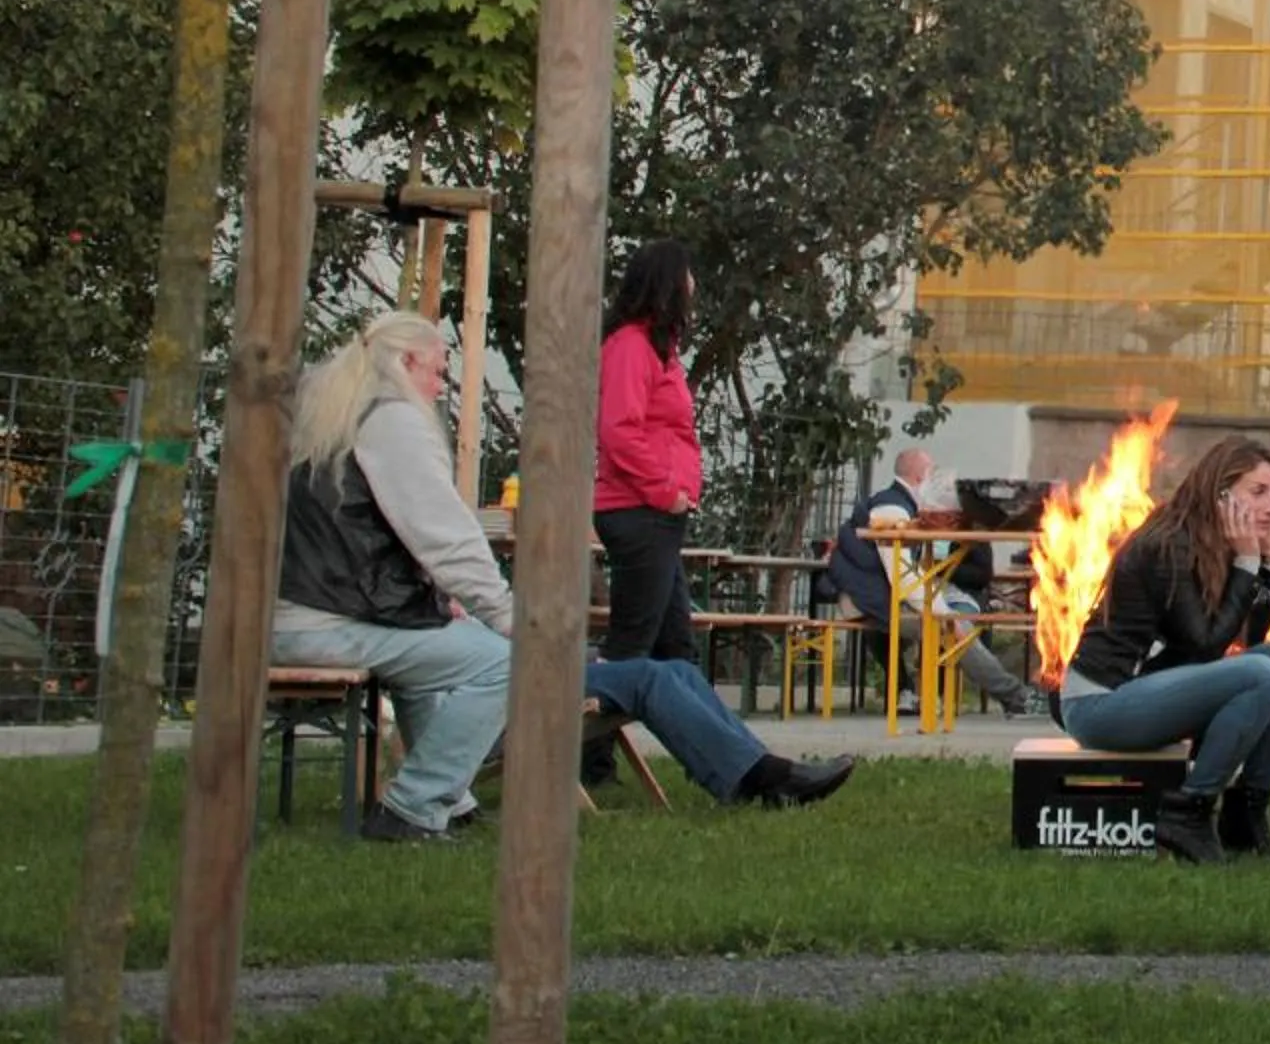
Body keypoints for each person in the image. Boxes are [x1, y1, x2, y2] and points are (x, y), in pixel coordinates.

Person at [273, 314, 852, 841]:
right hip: (402, 643)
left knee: (664, 669)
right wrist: (510, 616)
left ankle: (763, 772)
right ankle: (417, 806)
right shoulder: (392, 420)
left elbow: (375, 543)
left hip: (350, 619)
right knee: (639, 676)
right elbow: (443, 536)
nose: (439, 386)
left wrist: (445, 601)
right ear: (404, 363)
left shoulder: (338, 423)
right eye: (437, 371)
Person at [1062, 435, 1270, 865]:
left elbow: (1252, 640)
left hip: (1152, 691)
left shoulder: (1214, 543)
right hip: (1101, 704)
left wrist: (1267, 568)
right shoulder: (1168, 544)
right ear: (1220, 495)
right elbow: (1206, 645)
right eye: (1258, 492)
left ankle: (1245, 811)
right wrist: (1248, 564)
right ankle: (1190, 811)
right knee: (1261, 674)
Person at [825, 446, 1034, 715]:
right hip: (871, 601)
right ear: (920, 476)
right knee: (954, 629)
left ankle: (1011, 696)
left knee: (955, 624)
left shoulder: (899, 503)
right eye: (932, 472)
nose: (935, 479)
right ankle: (1017, 698)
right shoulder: (891, 509)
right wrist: (944, 613)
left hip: (876, 596)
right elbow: (900, 576)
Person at [593, 240, 704, 668]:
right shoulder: (631, 346)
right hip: (641, 508)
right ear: (669, 283)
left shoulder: (659, 348)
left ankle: (706, 732)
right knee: (631, 642)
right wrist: (665, 489)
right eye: (687, 274)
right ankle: (582, 731)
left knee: (675, 642)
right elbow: (619, 429)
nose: (693, 284)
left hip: (657, 511)